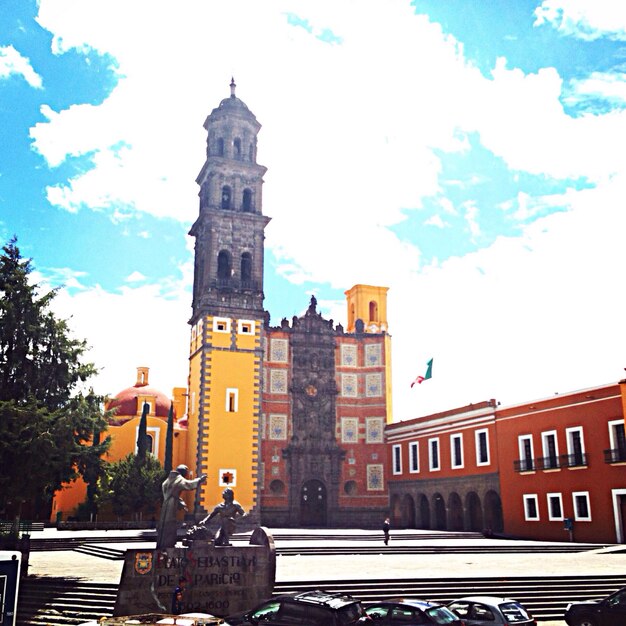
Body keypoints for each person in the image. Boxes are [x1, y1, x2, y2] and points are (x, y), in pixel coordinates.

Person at [156, 464, 207, 550]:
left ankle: (162, 544)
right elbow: (188, 484)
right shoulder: (178, 479)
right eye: (186, 473)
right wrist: (199, 480)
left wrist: (180, 503)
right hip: (172, 505)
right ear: (183, 472)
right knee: (170, 524)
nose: (186, 475)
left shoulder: (168, 480)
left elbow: (172, 494)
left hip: (166, 505)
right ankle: (168, 545)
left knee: (164, 524)